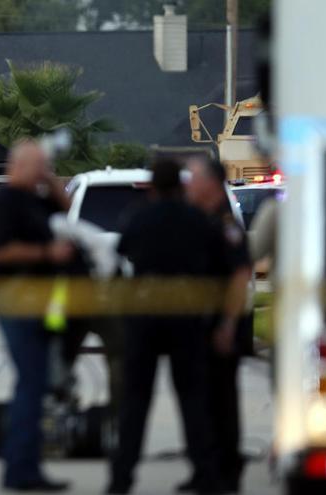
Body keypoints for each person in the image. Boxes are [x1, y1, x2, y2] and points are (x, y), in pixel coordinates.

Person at [108, 159, 223, 494]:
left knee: (135, 402)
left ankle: (121, 479)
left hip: (144, 317)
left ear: (153, 186)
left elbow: (122, 249)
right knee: (192, 400)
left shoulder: (139, 216)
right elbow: (213, 258)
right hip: (186, 316)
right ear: (180, 185)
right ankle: (207, 475)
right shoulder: (196, 218)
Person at [0, 139, 72, 492]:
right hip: (16, 300)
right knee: (31, 384)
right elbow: (2, 252)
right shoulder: (5, 201)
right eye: (36, 165)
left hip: (40, 302)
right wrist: (46, 253)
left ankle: (26, 467)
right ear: (19, 165)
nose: (42, 171)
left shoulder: (35, 199)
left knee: (35, 385)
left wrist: (50, 179)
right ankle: (19, 469)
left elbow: (67, 209)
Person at [183, 157, 252, 493]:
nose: (188, 185)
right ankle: (206, 471)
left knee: (221, 402)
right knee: (204, 402)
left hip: (220, 329)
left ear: (210, 183)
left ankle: (226, 471)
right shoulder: (202, 221)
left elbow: (240, 276)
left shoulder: (225, 226)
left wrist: (227, 324)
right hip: (201, 326)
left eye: (193, 178)